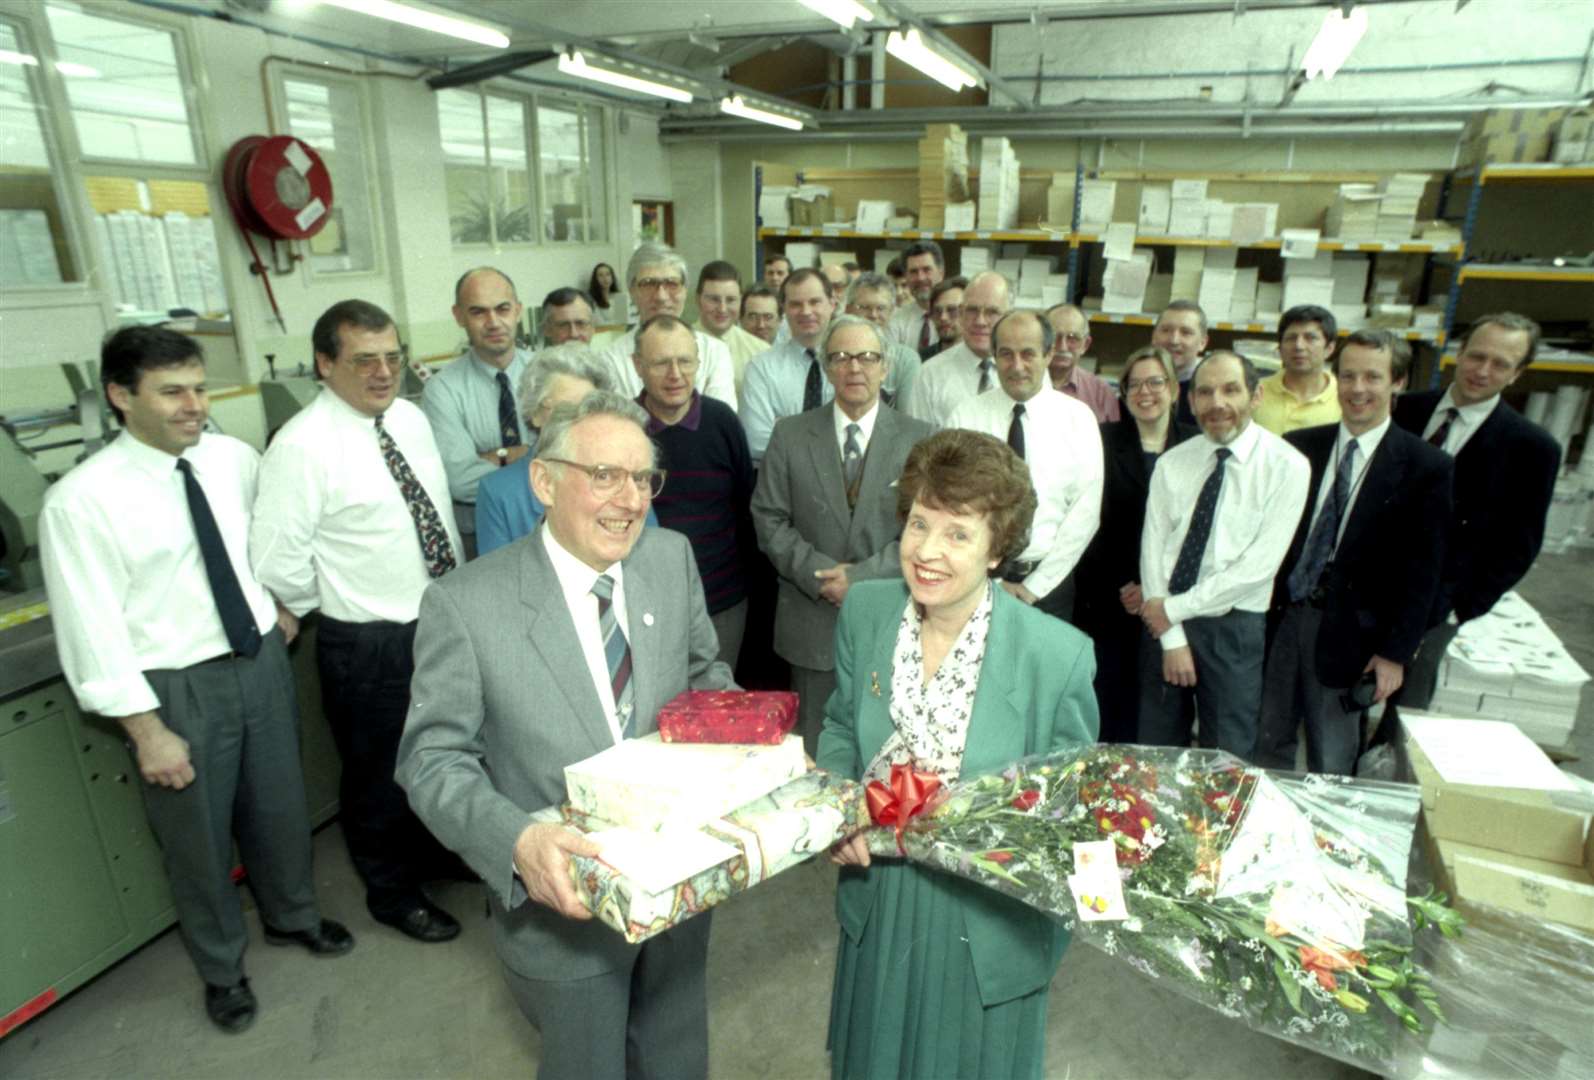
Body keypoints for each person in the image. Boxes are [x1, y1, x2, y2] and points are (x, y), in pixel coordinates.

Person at [396, 392, 734, 1080]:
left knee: (675, 1057)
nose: (630, 500)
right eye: (604, 475)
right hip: (562, 920)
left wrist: (752, 747)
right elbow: (431, 762)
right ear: (543, 481)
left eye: (643, 479)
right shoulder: (466, 605)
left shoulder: (669, 559)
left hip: (679, 891)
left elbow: (705, 674)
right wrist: (517, 843)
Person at [40, 325, 354, 1033]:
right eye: (172, 391)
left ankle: (293, 917)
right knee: (199, 843)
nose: (193, 404)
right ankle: (222, 970)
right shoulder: (82, 501)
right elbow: (91, 629)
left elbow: (260, 544)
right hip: (174, 687)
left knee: (280, 809)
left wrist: (277, 603)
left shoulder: (233, 459)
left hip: (258, 664)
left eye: (200, 387)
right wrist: (147, 731)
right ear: (121, 396)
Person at [822, 429, 1099, 1080]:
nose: (927, 552)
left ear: (997, 549)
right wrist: (838, 805)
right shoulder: (865, 612)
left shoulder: (1057, 656)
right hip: (881, 902)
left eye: (958, 533)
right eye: (920, 524)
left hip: (986, 924)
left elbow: (1077, 815)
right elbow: (839, 724)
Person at [251, 299, 464, 945]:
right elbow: (276, 561)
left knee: (439, 751)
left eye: (393, 357)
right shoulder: (300, 447)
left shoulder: (409, 419)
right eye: (364, 359)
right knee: (377, 775)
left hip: (437, 621)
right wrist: (349, 596)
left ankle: (434, 858)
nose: (383, 372)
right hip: (368, 642)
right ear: (325, 363)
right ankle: (391, 892)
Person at [1256, 331, 1452, 775]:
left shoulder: (1424, 466)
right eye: (1347, 376)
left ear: (1397, 382)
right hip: (1284, 620)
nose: (1358, 389)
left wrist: (1394, 654)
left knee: (1332, 754)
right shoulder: (1302, 445)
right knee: (1268, 737)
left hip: (1353, 635)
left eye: (1372, 377)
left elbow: (1425, 572)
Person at [751, 314, 933, 756]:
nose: (855, 368)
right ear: (826, 367)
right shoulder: (790, 434)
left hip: (892, 621)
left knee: (889, 755)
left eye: (867, 357)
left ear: (886, 367)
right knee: (818, 750)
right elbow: (769, 517)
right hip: (811, 623)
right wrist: (821, 576)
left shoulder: (920, 439)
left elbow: (926, 529)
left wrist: (861, 578)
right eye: (842, 357)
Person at [1138, 351, 1309, 760]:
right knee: (1155, 751)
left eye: (1231, 390)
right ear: (1191, 400)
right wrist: (1172, 635)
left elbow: (1258, 568)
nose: (1217, 403)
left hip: (1232, 628)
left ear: (1256, 396)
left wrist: (1173, 609)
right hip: (1164, 626)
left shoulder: (1287, 466)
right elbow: (1153, 551)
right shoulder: (1173, 463)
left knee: (1228, 754)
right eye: (1205, 392)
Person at [1392, 312, 1562, 707]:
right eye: (1476, 356)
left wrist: (1463, 608)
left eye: (1500, 364)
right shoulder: (1402, 412)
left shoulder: (1532, 449)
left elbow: (1519, 545)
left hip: (1439, 603)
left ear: (1517, 373)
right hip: (1371, 587)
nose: (1482, 371)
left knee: (1406, 706)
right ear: (1459, 352)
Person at [1073, 346, 1198, 742]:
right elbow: (1089, 521)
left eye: (1155, 382)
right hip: (1112, 598)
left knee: (1164, 718)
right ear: (1123, 394)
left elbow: (1198, 531)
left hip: (1175, 601)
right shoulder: (1102, 441)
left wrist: (1154, 588)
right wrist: (1126, 584)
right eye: (1134, 384)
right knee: (1110, 707)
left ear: (1174, 389)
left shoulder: (1197, 446)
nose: (1145, 392)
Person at [947, 310, 1102, 622]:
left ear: (1048, 354)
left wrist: (1035, 587)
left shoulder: (1078, 419)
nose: (1017, 366)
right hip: (976, 583)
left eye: (1028, 354)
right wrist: (996, 583)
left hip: (1050, 587)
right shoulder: (965, 418)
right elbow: (953, 507)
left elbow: (1085, 513)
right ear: (994, 356)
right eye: (1006, 354)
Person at [633, 314, 756, 670]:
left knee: (715, 709)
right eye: (661, 363)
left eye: (685, 361)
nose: (675, 374)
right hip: (646, 604)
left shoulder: (723, 422)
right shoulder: (624, 428)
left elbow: (745, 510)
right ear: (638, 366)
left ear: (699, 363)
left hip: (722, 603)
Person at [477, 344, 663, 556]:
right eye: (566, 410)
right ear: (535, 413)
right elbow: (497, 579)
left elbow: (649, 560)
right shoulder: (499, 492)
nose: (579, 420)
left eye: (591, 408)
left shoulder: (628, 476)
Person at [422, 267, 532, 556]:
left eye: (503, 309)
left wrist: (497, 457)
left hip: (551, 523)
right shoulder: (441, 390)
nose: (493, 322)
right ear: (459, 316)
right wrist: (534, 461)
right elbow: (460, 481)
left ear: (518, 310)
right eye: (478, 312)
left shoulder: (548, 374)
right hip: (481, 533)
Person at [595, 243, 736, 409]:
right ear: (632, 291)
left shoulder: (715, 352)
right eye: (648, 284)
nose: (661, 296)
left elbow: (720, 423)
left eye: (672, 283)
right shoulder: (610, 360)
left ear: (685, 290)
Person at [739, 267, 839, 463]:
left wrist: (784, 431)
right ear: (783, 308)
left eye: (814, 302)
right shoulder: (761, 368)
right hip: (781, 484)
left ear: (832, 304)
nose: (806, 311)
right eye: (795, 304)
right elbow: (757, 442)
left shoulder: (852, 362)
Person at [907, 271, 1012, 429]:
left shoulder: (1027, 373)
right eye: (972, 310)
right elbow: (918, 445)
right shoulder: (929, 376)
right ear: (961, 313)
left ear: (1008, 317)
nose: (980, 321)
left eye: (992, 312)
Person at [1254, 305, 1340, 435]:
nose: (1299, 346)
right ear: (1280, 348)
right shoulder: (1254, 392)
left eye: (1310, 338)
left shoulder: (1344, 397)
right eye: (1291, 338)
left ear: (1329, 348)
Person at [843, 272, 920, 409]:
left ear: (891, 311)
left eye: (881, 308)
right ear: (848, 310)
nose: (873, 315)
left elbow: (907, 420)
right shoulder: (834, 355)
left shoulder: (906, 360)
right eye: (864, 307)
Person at [692, 259, 768, 396]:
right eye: (714, 299)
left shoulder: (761, 352)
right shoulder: (677, 346)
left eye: (731, 300)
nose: (722, 309)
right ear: (697, 299)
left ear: (741, 300)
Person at [1045, 302, 1119, 422]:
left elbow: (1114, 440)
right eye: (1054, 337)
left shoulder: (1101, 393)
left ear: (1085, 344)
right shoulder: (1024, 385)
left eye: (1072, 338)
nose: (1062, 347)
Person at [1151, 300, 1209, 425]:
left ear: (1202, 343)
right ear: (1154, 337)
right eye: (1166, 330)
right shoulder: (1137, 384)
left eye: (1186, 332)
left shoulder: (1211, 390)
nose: (1174, 340)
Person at [886, 240, 945, 353]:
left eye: (926, 270)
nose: (920, 278)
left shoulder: (957, 318)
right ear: (906, 276)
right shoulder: (895, 321)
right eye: (913, 272)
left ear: (941, 273)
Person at [922, 276, 967, 361]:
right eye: (937, 311)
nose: (943, 318)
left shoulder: (983, 360)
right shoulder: (922, 360)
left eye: (952, 310)